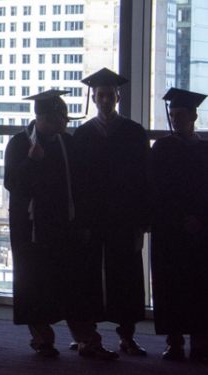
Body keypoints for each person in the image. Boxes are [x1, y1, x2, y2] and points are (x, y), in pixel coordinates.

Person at [4, 90, 118, 360]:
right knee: (35, 288)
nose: (66, 123)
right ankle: (42, 340)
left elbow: (81, 185)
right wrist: (31, 161)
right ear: (43, 118)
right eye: (61, 118)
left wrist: (83, 222)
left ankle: (88, 341)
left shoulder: (67, 142)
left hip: (64, 227)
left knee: (75, 287)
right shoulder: (20, 144)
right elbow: (13, 184)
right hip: (32, 231)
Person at [70, 68, 150, 356]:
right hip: (92, 219)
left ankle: (126, 335)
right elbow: (76, 183)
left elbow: (144, 179)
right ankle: (87, 334)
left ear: (118, 96)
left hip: (124, 219)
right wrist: (79, 221)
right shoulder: (82, 134)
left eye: (109, 95)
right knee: (88, 276)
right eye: (100, 95)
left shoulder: (134, 133)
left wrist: (141, 223)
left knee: (126, 276)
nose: (105, 100)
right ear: (93, 98)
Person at [151, 88, 208, 363]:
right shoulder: (161, 148)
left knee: (199, 286)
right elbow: (155, 190)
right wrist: (177, 218)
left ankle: (200, 342)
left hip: (201, 231)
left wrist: (199, 217)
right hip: (169, 230)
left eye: (181, 114)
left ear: (194, 116)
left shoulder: (206, 150)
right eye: (172, 115)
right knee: (170, 285)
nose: (176, 119)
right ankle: (174, 342)